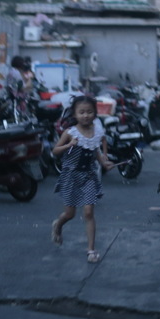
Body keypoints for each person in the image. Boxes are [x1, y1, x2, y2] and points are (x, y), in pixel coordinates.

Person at [50, 94, 117, 262]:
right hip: (71, 176)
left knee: (88, 212)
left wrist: (104, 163)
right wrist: (68, 145)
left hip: (88, 176)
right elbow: (55, 151)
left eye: (89, 112)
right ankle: (58, 225)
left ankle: (91, 250)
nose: (85, 115)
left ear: (95, 113)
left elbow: (96, 152)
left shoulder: (97, 132)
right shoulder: (70, 132)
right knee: (70, 214)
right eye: (81, 112)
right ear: (74, 114)